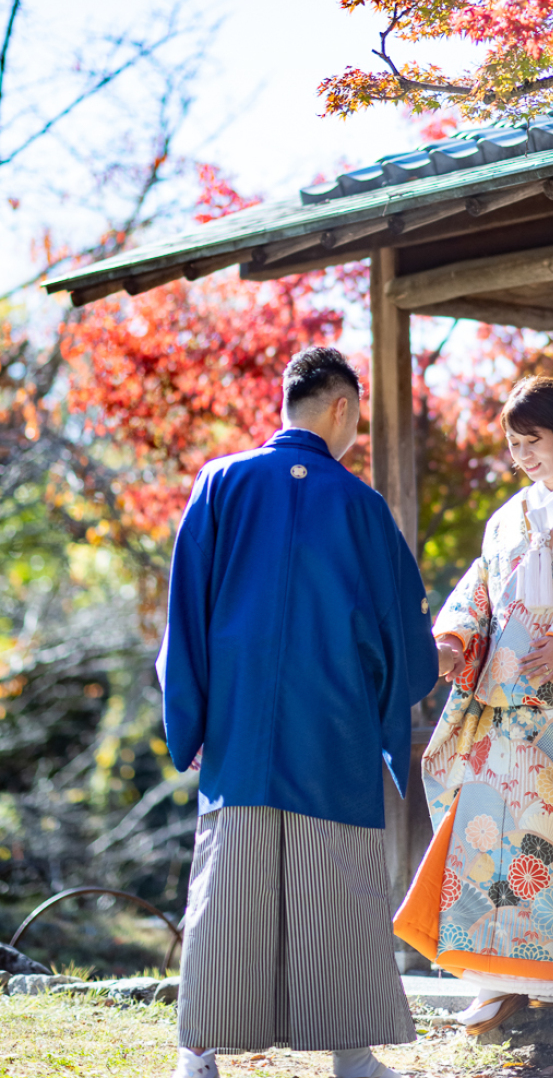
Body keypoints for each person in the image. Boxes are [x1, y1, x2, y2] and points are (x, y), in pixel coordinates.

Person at [157, 346, 439, 1078]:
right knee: (339, 882)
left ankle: (199, 1053)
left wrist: (188, 719)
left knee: (227, 887)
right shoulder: (362, 507)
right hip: (334, 728)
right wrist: (391, 707)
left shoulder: (219, 482)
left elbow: (183, 614)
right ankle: (349, 1053)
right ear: (341, 407)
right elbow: (401, 628)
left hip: (240, 728)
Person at [394, 376, 553, 1035]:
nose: (523, 455)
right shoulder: (505, 517)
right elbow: (476, 594)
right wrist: (454, 644)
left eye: (532, 440)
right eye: (514, 444)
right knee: (491, 835)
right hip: (505, 705)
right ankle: (495, 976)